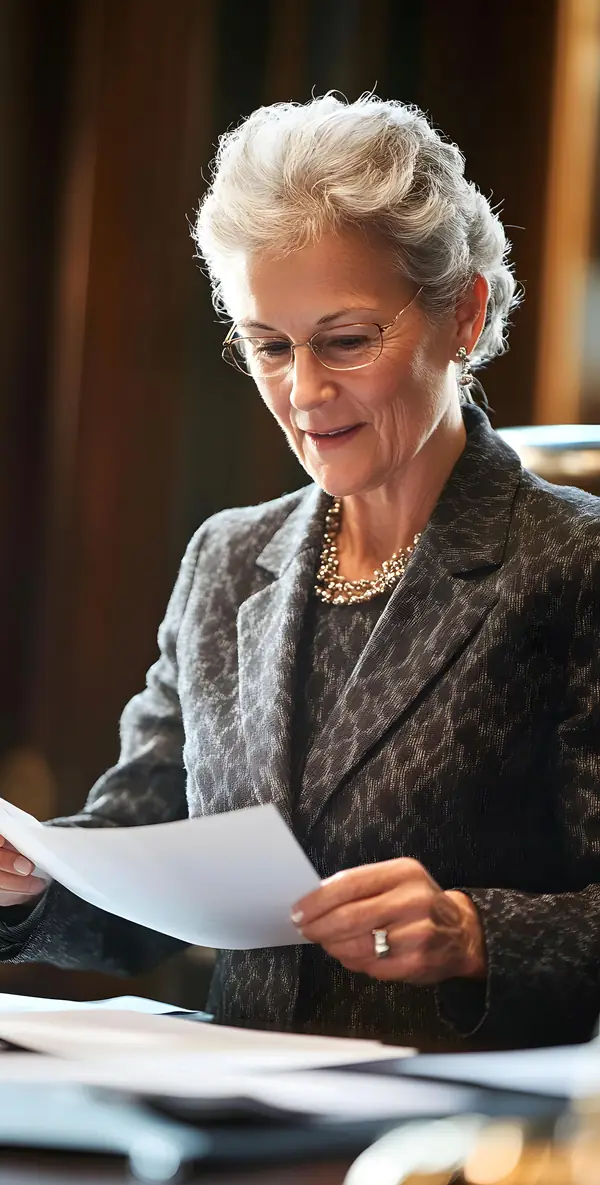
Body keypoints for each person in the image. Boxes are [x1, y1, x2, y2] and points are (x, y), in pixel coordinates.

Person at [1, 93, 600, 1051]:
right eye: (269, 347)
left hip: (457, 1142)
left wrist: (477, 934)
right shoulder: (227, 559)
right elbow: (137, 877)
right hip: (241, 1119)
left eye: (348, 340)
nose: (305, 393)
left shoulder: (574, 563)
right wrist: (33, 876)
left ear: (464, 313)